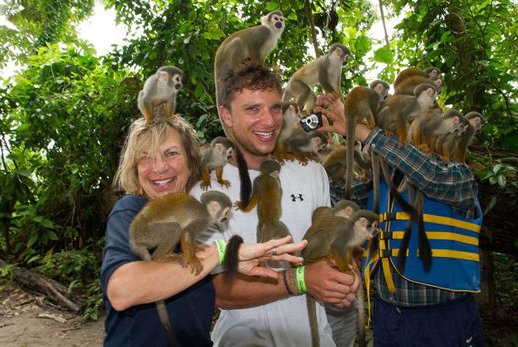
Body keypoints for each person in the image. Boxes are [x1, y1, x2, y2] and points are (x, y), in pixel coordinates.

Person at [189, 63, 360, 347]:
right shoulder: (207, 192)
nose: (269, 121)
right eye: (253, 109)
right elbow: (218, 291)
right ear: (226, 115)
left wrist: (344, 273)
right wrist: (300, 280)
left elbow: (328, 247)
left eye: (275, 108)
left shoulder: (310, 171)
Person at [100, 115, 308, 346]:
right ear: (135, 168)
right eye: (145, 158)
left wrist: (297, 277)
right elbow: (121, 291)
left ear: (191, 163)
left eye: (170, 153)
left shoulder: (191, 218)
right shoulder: (132, 210)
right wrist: (218, 253)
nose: (158, 168)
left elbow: (217, 299)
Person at [316, 93, 485, 346]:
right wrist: (307, 151)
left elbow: (428, 175)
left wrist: (366, 133)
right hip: (389, 316)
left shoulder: (459, 177)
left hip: (444, 317)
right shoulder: (386, 182)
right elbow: (340, 199)